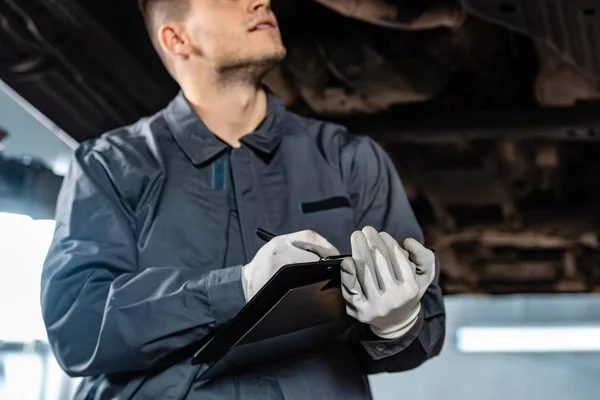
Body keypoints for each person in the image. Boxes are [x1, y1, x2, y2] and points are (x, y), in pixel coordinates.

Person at [40, 0, 446, 399]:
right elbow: (78, 326)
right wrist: (238, 288)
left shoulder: (350, 159)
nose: (259, 1)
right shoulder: (111, 165)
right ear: (177, 38)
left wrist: (398, 322)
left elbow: (424, 330)